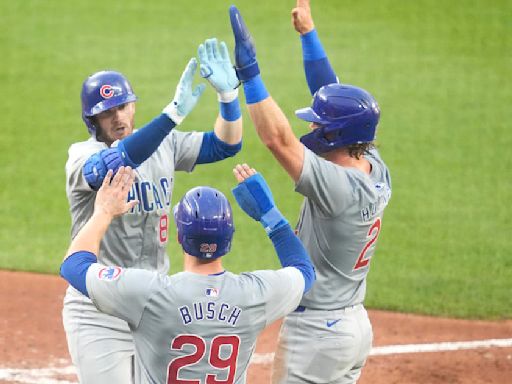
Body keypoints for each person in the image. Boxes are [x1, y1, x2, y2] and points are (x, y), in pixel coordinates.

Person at [228, 2, 392, 383]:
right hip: (351, 326)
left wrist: (249, 75)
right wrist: (308, 34)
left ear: (334, 134)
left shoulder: (337, 187)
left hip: (317, 335)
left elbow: (278, 139)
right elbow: (329, 93)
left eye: (319, 123)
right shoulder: (372, 165)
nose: (314, 126)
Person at [63, 39, 243, 383]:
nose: (117, 117)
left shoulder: (166, 145)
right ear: (93, 119)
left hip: (154, 301)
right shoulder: (81, 156)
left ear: (133, 106)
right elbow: (116, 161)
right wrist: (171, 115)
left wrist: (228, 98)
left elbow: (226, 144)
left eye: (123, 106)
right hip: (99, 305)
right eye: (106, 111)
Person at [60, 164, 315, 384]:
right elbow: (304, 271)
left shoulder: (149, 294)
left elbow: (73, 265)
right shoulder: (254, 294)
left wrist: (104, 212)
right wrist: (269, 214)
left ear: (180, 236)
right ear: (229, 239)